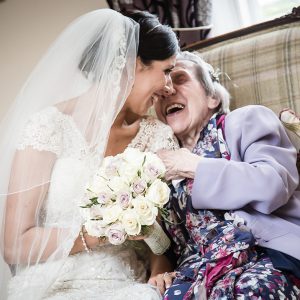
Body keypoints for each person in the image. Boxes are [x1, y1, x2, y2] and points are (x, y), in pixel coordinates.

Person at [0, 9, 180, 299]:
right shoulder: (48, 125)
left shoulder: (158, 137)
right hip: (52, 284)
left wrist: (160, 270)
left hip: (128, 284)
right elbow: (14, 244)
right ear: (134, 65)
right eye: (167, 71)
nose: (170, 88)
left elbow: (163, 238)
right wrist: (102, 231)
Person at [154, 51, 300, 299]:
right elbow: (171, 243)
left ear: (212, 96)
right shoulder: (160, 166)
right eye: (161, 90)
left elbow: (273, 185)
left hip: (267, 253)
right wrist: (161, 268)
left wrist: (195, 166)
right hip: (197, 270)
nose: (168, 91)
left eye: (180, 78)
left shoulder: (245, 121)